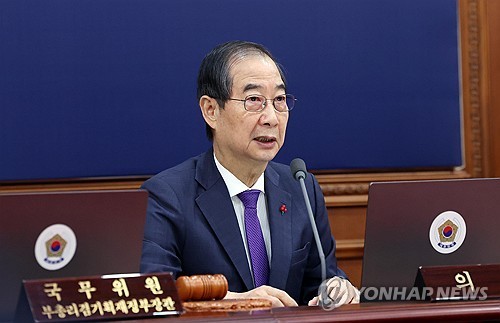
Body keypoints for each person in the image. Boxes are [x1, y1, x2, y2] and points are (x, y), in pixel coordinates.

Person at [140, 40, 359, 307]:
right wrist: (236, 302)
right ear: (211, 110)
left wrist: (336, 288)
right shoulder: (166, 196)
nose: (271, 118)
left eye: (279, 100)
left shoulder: (301, 187)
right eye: (253, 100)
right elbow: (153, 292)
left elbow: (321, 278)